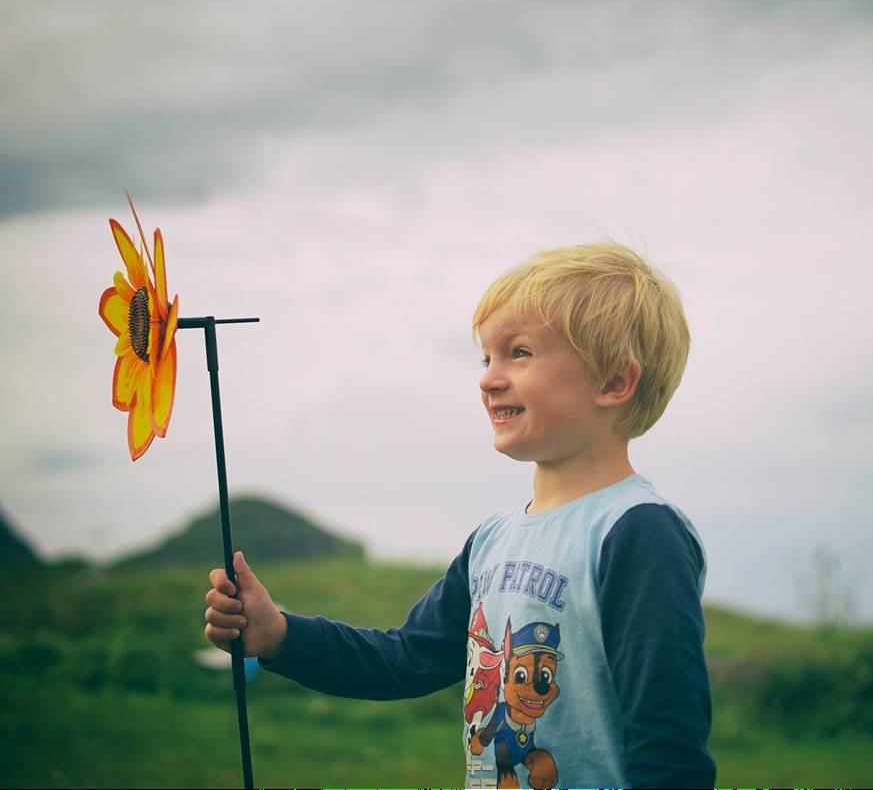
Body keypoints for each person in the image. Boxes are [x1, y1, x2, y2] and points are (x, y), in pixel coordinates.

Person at [204, 240, 716, 789]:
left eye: (519, 353)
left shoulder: (638, 532)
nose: (489, 378)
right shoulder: (491, 541)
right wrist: (280, 635)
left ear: (614, 382)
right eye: (487, 357)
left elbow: (668, 744)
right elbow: (404, 658)